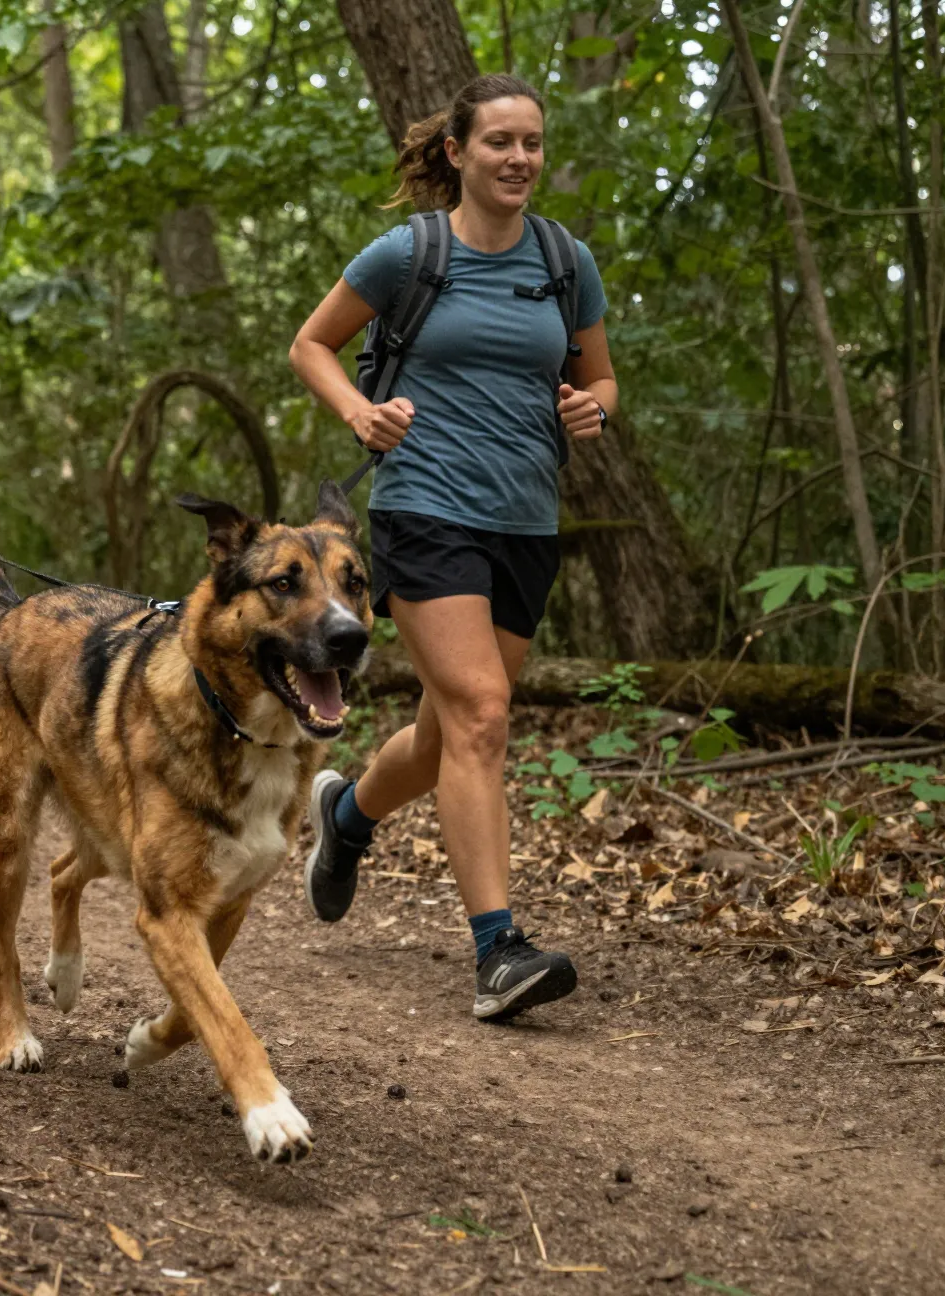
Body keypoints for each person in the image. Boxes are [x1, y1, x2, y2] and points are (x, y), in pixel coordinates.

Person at [288, 74, 618, 1021]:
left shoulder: (565, 260)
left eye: (534, 144)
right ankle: (497, 952)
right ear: (457, 154)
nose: (520, 159)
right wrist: (360, 411)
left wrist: (592, 408)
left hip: (526, 519)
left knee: (447, 735)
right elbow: (311, 344)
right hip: (424, 510)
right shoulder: (409, 253)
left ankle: (345, 817)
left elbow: (602, 381)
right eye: (500, 143)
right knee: (481, 712)